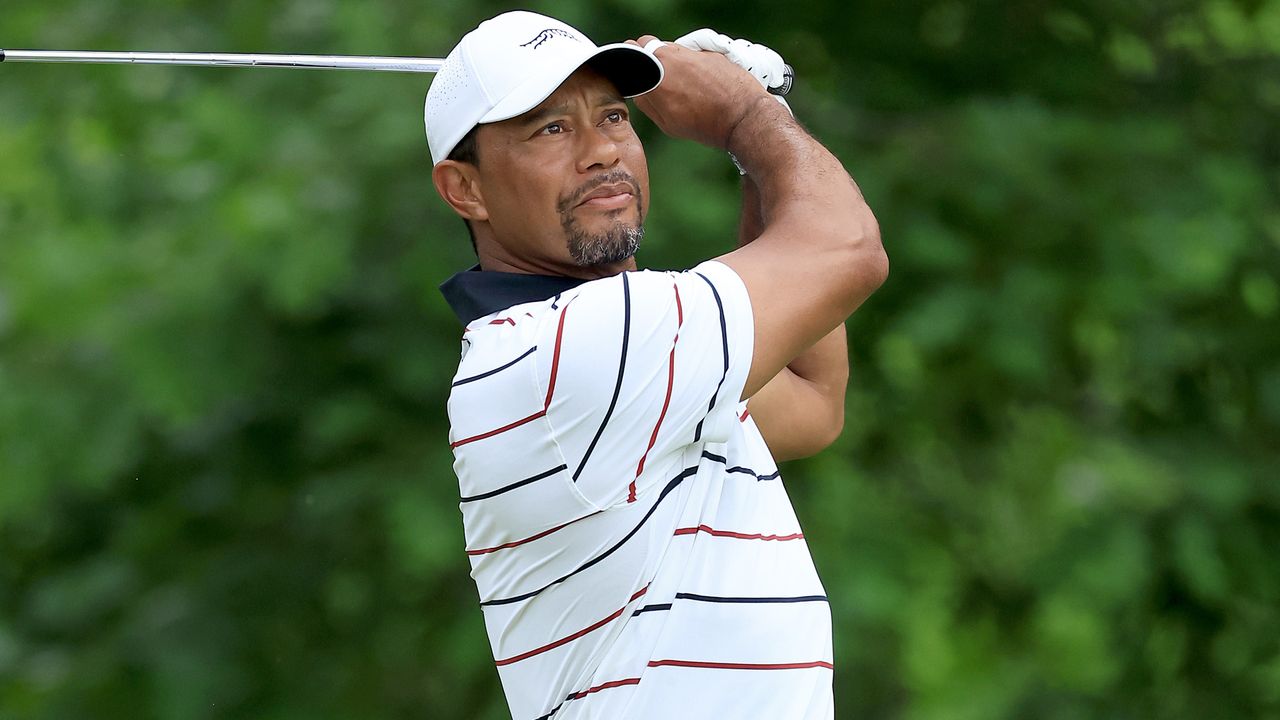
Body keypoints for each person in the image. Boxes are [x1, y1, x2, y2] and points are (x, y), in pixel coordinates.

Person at [427, 10, 886, 719]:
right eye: (551, 129)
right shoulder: (575, 346)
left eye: (612, 117)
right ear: (467, 189)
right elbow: (849, 249)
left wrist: (759, 146)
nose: (599, 152)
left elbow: (809, 399)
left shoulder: (636, 359)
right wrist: (744, 115)